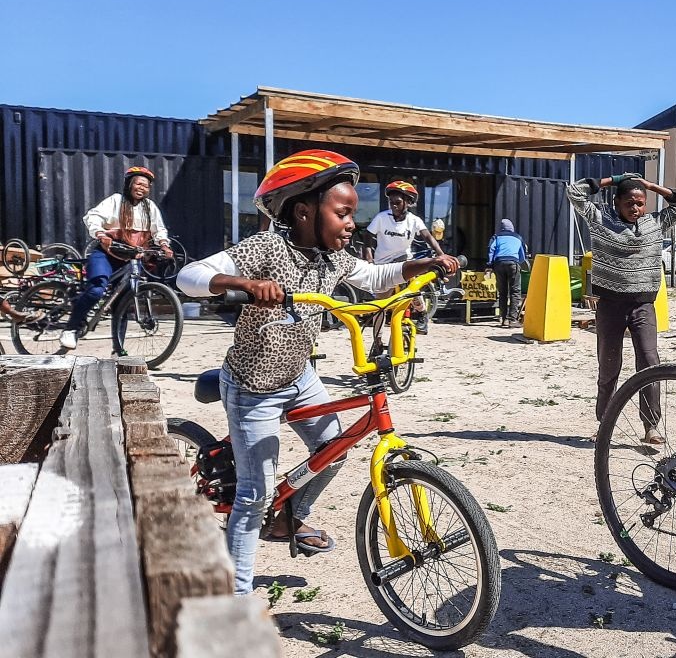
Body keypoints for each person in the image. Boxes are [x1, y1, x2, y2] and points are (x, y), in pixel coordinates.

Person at [175, 149, 459, 596]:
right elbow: (190, 276)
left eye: (352, 215)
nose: (351, 224)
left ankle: (289, 518)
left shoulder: (333, 259)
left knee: (334, 449)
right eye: (342, 213)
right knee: (253, 495)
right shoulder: (267, 248)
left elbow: (373, 276)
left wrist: (421, 265)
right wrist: (246, 284)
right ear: (304, 212)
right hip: (254, 386)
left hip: (298, 377)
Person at [567, 173, 676, 443]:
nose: (635, 208)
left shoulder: (656, 223)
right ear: (616, 202)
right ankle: (605, 425)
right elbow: (574, 192)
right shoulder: (600, 219)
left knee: (649, 363)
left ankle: (651, 427)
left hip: (643, 306)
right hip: (610, 306)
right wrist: (613, 179)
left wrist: (650, 186)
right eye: (629, 203)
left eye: (640, 203)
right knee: (609, 367)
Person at [61, 166, 173, 352]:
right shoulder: (116, 200)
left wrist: (164, 244)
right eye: (138, 183)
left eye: (146, 186)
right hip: (106, 254)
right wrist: (100, 233)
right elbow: (93, 216)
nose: (142, 188)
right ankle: (70, 329)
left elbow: (159, 229)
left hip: (131, 259)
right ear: (129, 184)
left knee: (123, 303)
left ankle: (118, 349)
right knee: (96, 289)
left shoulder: (150, 207)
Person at [363, 181, 452, 266]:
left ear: (408, 202)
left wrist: (441, 254)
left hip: (403, 263)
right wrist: (369, 259)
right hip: (382, 265)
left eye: (398, 203)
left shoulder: (414, 220)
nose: (394, 206)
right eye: (391, 202)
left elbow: (428, 236)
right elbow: (367, 236)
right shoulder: (381, 218)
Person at [486, 219, 528, 329]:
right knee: (515, 291)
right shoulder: (518, 237)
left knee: (502, 292)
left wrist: (490, 264)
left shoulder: (496, 237)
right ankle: (512, 320)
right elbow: (522, 254)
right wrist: (519, 262)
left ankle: (504, 319)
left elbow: (491, 250)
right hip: (513, 263)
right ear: (512, 228)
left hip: (499, 264)